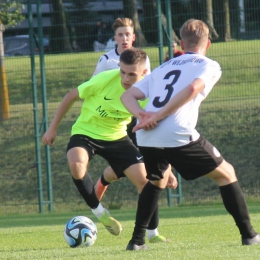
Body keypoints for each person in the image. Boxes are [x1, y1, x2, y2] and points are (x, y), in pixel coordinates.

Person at [121, 19, 260, 250]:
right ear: (208, 44)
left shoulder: (163, 67)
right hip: (176, 131)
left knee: (156, 180)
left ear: (182, 42)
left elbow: (126, 97)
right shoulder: (209, 65)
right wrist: (159, 116)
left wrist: (143, 116)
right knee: (226, 174)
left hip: (145, 135)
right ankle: (250, 235)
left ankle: (136, 242)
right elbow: (193, 88)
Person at [42, 48, 176, 240]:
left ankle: (152, 233)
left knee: (146, 182)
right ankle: (99, 213)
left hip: (118, 139)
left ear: (145, 73)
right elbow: (72, 95)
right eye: (122, 72)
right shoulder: (105, 79)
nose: (125, 78)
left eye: (132, 74)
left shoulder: (150, 92)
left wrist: (168, 169)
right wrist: (52, 128)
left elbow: (160, 131)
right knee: (76, 165)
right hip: (86, 132)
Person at [92, 19, 173, 244]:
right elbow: (93, 89)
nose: (125, 38)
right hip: (118, 125)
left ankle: (152, 233)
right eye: (120, 34)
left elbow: (151, 86)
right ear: (114, 38)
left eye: (128, 34)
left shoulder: (143, 59)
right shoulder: (106, 61)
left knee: (149, 175)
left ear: (133, 37)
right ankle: (104, 180)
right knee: (141, 175)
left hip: (140, 118)